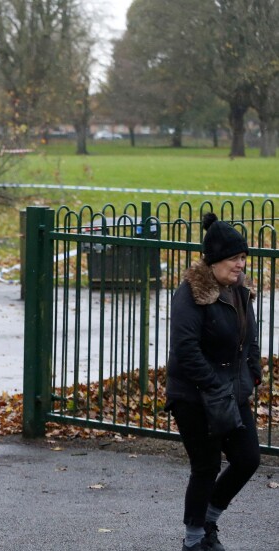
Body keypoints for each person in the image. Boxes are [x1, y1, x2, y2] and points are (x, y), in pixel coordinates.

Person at [167, 212, 261, 551]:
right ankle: (194, 541)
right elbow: (185, 348)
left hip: (230, 392)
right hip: (193, 395)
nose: (240, 265)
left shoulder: (238, 291)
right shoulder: (191, 293)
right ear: (217, 260)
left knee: (248, 459)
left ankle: (208, 519)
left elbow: (249, 337)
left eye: (243, 258)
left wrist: (252, 369)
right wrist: (213, 382)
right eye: (235, 258)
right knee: (205, 466)